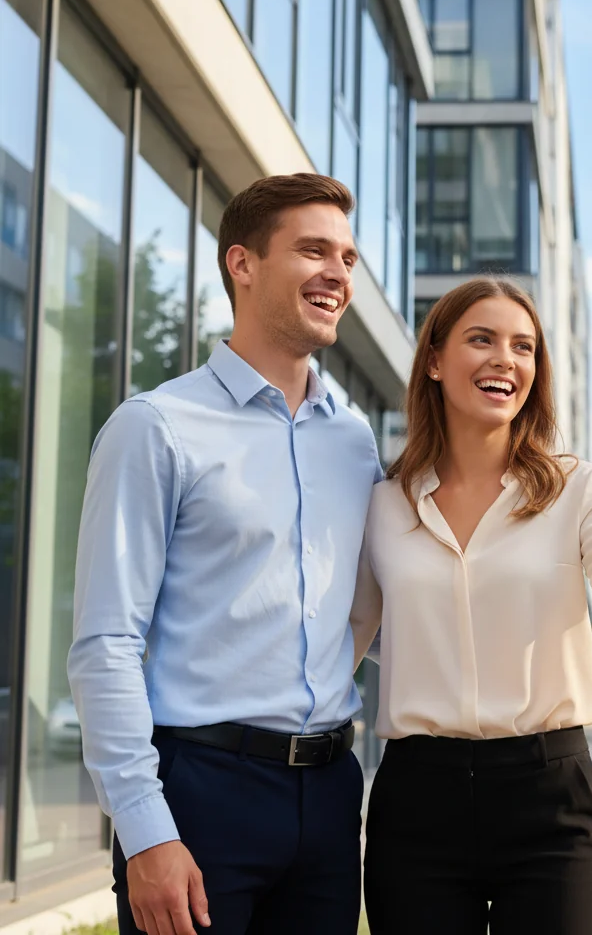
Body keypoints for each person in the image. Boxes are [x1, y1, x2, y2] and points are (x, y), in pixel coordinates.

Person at [349, 278, 592, 935]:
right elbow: (356, 636)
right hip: (417, 799)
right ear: (434, 361)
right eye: (482, 339)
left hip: (548, 793)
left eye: (524, 347)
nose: (507, 359)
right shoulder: (384, 503)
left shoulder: (578, 487)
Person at [68, 174, 377, 935]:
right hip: (202, 792)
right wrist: (147, 831)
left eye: (347, 256)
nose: (338, 273)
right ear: (242, 264)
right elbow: (106, 643)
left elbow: (365, 611)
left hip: (333, 792)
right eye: (313, 250)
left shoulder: (354, 439)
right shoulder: (156, 427)